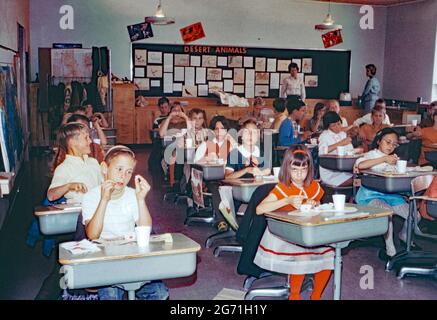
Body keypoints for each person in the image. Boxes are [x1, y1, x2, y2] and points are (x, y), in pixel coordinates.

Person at [82, 146, 169, 300]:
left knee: (160, 294)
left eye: (129, 172)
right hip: (105, 262)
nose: (123, 176)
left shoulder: (131, 195)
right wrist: (104, 200)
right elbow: (92, 234)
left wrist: (141, 200)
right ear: (104, 168)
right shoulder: (91, 196)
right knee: (110, 296)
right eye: (119, 169)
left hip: (132, 259)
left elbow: (145, 229)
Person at [254, 146, 333, 300]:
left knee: (329, 255)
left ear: (309, 169)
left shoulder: (314, 187)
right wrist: (286, 200)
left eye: (304, 170)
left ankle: (316, 296)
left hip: (308, 233)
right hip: (285, 234)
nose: (299, 174)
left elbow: (317, 206)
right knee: (301, 257)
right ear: (287, 169)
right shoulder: (283, 188)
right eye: (295, 170)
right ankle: (295, 296)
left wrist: (315, 204)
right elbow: (259, 209)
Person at [355, 128, 413, 260]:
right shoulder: (370, 155)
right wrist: (384, 159)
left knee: (414, 215)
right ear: (379, 141)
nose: (391, 146)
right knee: (387, 213)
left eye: (394, 144)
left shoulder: (394, 158)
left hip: (391, 195)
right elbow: (361, 165)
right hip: (370, 195)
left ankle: (404, 235)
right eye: (388, 142)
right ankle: (390, 250)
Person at [47, 122, 103, 203]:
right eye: (86, 138)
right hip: (78, 212)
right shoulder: (64, 168)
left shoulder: (93, 162)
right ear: (72, 142)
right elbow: (51, 196)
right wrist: (68, 186)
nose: (90, 141)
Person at [318, 112, 361, 187]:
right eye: (333, 125)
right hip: (330, 173)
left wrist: (358, 150)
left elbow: (350, 151)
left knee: (362, 177)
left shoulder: (342, 134)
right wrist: (341, 143)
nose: (337, 127)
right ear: (328, 127)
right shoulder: (324, 136)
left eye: (339, 123)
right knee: (357, 181)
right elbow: (322, 152)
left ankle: (353, 196)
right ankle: (353, 196)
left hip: (344, 169)